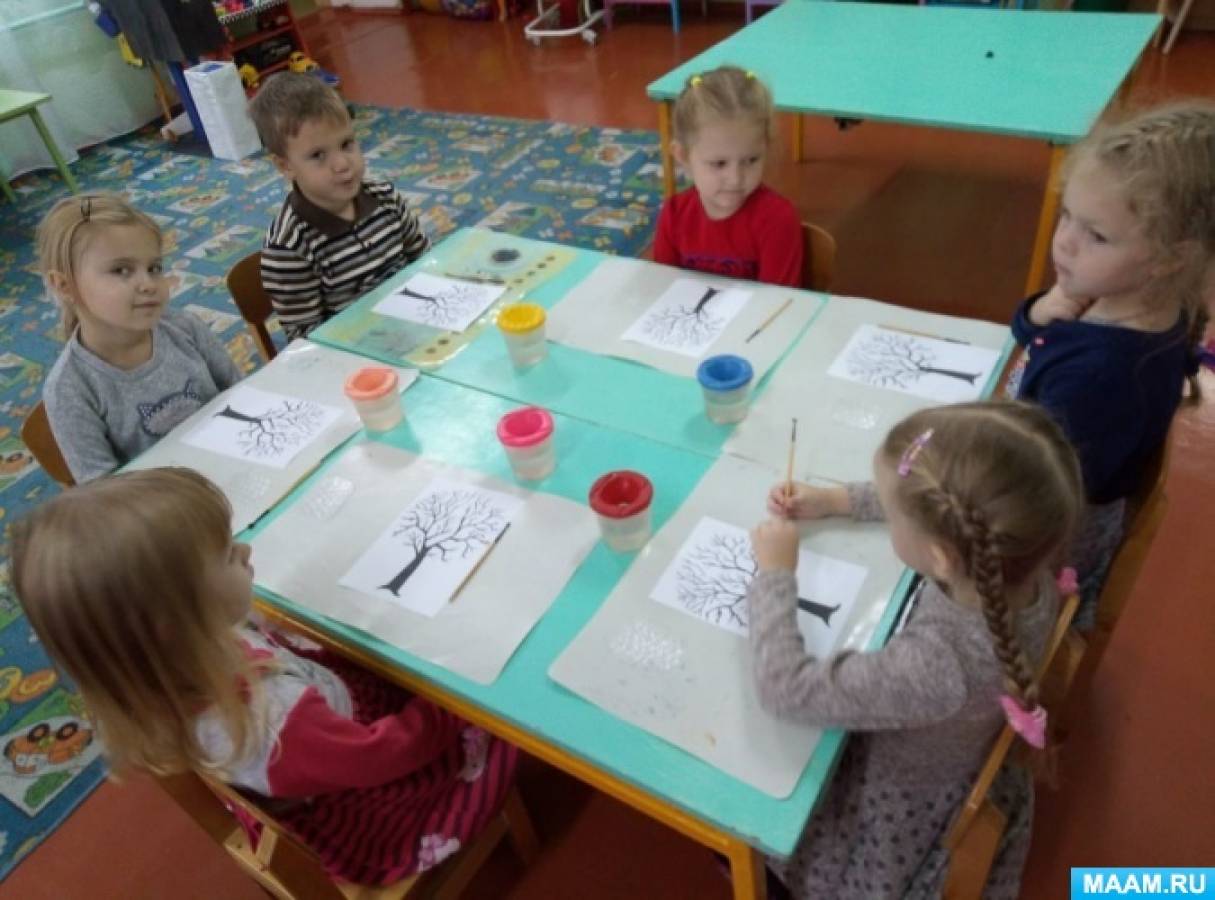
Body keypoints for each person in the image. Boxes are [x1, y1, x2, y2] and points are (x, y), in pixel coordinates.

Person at [11, 467, 518, 885]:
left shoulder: (161, 666)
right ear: (175, 622)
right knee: (501, 718)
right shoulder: (274, 725)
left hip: (320, 743)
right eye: (227, 555)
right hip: (374, 800)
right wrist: (450, 704)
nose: (248, 552)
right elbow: (384, 756)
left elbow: (262, 640)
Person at [752, 400, 1083, 899]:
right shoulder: (1021, 569)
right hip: (947, 754)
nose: (890, 513)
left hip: (882, 815)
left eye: (892, 513)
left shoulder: (937, 665)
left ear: (940, 557)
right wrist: (836, 500)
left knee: (743, 823)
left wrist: (775, 574)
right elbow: (930, 503)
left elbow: (784, 688)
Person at [1005, 101, 1215, 624]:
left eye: (1096, 235)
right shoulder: (1131, 297)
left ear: (1172, 258)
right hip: (1047, 470)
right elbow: (1037, 344)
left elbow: (1042, 498)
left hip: (1044, 534)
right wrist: (1040, 314)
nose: (1065, 242)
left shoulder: (1102, 376)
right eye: (1066, 216)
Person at [37, 193, 242, 483]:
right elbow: (105, 489)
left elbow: (239, 393)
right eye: (121, 270)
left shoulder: (184, 327)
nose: (148, 284)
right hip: (168, 501)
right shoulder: (69, 388)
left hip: (238, 462)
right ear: (65, 285)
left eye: (154, 268)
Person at [248, 72, 429, 340]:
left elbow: (425, 261)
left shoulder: (385, 197)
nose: (343, 164)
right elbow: (306, 338)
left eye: (346, 144)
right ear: (285, 166)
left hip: (421, 322)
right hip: (357, 350)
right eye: (318, 155)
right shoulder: (289, 247)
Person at [653, 66, 803, 287]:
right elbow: (662, 290)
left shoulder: (777, 220)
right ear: (683, 156)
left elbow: (777, 302)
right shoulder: (674, 215)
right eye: (719, 164)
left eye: (751, 160)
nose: (735, 179)